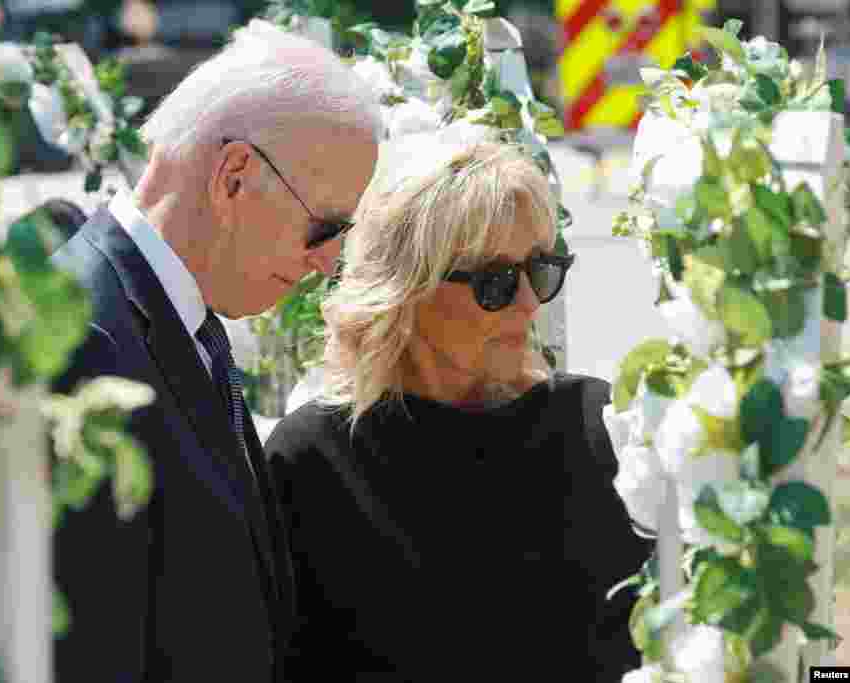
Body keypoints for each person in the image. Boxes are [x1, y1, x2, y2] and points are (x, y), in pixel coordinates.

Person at [49, 20, 382, 683]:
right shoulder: (80, 336)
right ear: (234, 176)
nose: (329, 262)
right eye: (325, 227)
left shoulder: (187, 316)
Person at [265, 138, 653, 681]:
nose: (529, 303)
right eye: (495, 282)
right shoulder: (311, 460)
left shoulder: (600, 431)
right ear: (405, 287)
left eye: (541, 269)